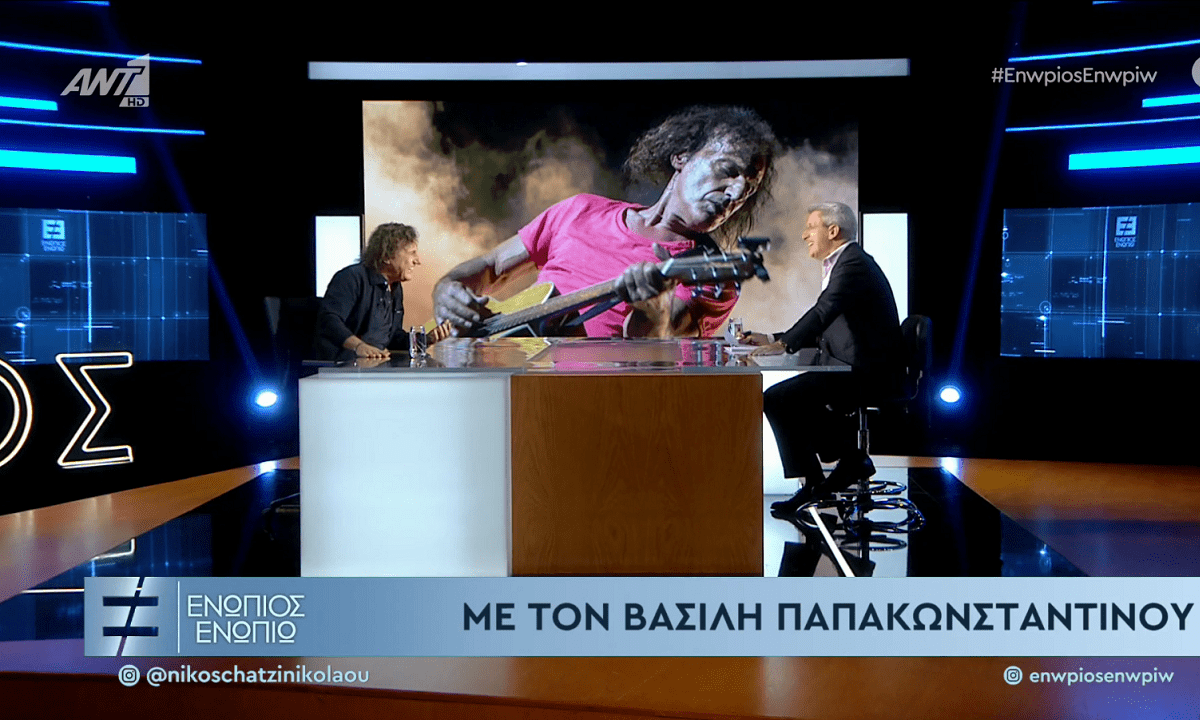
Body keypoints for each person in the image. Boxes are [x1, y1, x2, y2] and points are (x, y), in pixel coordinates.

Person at [432, 106, 778, 339]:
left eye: (748, 189)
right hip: (515, 394)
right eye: (728, 170)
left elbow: (651, 354)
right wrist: (446, 289)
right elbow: (492, 267)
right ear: (681, 157)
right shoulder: (580, 210)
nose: (735, 193)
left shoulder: (714, 276)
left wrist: (654, 309)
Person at [741, 202, 906, 514]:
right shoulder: (845, 262)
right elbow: (828, 322)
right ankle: (841, 464)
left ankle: (834, 469)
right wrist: (774, 338)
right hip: (853, 367)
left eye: (810, 227)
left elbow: (823, 311)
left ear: (833, 230)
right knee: (785, 399)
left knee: (779, 399)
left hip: (868, 373)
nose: (805, 235)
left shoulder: (853, 263)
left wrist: (785, 344)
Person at [317, 222, 448, 361]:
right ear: (386, 256)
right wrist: (358, 346)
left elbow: (393, 339)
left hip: (375, 366)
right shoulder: (351, 278)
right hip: (343, 366)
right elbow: (328, 320)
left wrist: (426, 339)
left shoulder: (395, 288)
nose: (417, 261)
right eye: (412, 253)